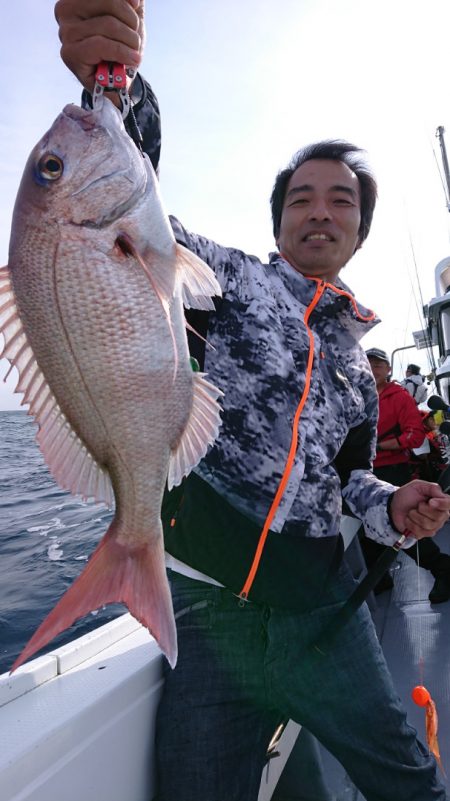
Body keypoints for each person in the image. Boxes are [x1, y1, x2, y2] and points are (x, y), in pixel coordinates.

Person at [54, 3, 450, 799]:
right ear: (278, 220)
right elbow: (128, 204)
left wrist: (393, 501)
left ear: (359, 232)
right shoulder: (227, 282)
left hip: (323, 617)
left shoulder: (354, 363)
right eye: (302, 197)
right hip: (206, 617)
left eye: (341, 201)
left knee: (413, 782)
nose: (320, 211)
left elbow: (350, 482)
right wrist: (115, 86)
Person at [362, 348, 450, 603]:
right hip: (364, 472)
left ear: (388, 369)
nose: (372, 368)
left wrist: (378, 446)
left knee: (406, 529)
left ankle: (443, 569)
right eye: (368, 364)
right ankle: (380, 580)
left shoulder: (399, 396)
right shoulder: (357, 396)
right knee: (366, 532)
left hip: (392, 471)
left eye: (378, 364)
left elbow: (415, 436)